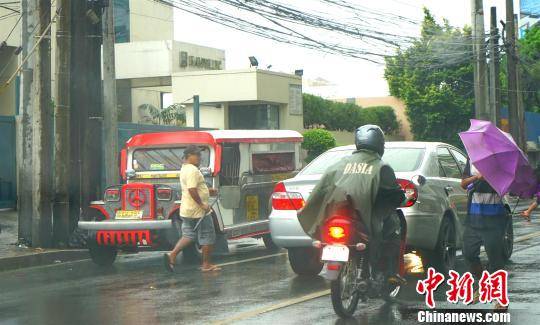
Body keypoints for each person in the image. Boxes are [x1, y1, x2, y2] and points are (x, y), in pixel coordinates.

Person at [298, 125, 405, 282]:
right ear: (380, 144)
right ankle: (388, 272)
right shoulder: (382, 167)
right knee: (393, 227)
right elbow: (394, 195)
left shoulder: (339, 164)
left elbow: (319, 191)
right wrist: (400, 198)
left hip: (334, 216)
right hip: (363, 220)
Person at [164, 145, 220, 272]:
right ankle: (206, 264)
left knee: (188, 235)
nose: (200, 158)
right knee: (207, 236)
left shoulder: (185, 169)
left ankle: (172, 255)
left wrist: (209, 191)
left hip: (187, 209)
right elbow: (192, 189)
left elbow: (195, 188)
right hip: (198, 211)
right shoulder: (192, 171)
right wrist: (202, 205)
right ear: (189, 156)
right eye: (198, 155)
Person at [461, 161, 508, 310]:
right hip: (473, 217)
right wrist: (477, 177)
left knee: (495, 259)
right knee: (468, 253)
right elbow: (463, 183)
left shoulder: (501, 162)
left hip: (494, 219)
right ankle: (483, 284)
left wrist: (493, 176)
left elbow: (508, 185)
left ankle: (501, 299)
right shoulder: (472, 160)